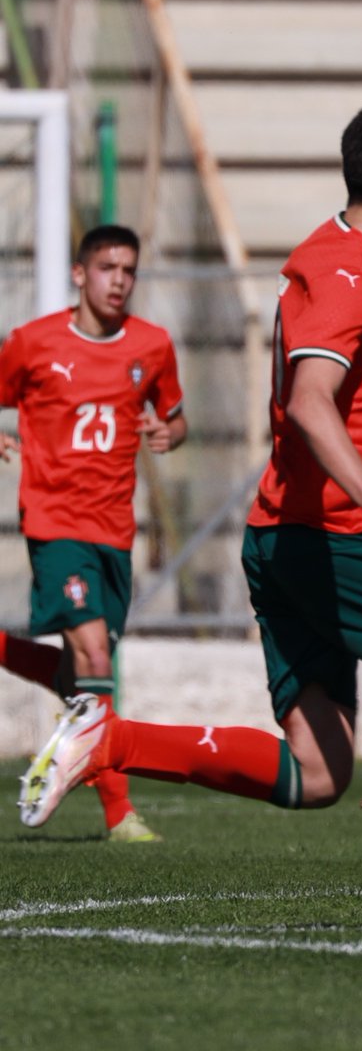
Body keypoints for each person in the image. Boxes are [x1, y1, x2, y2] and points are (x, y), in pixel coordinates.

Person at [17, 98, 362, 933]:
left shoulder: (337, 255)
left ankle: (112, 743)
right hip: (337, 536)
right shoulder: (355, 271)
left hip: (282, 537)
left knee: (318, 773)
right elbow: (309, 399)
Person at [0, 223, 186, 843]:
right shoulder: (32, 343)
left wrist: (169, 433)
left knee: (84, 678)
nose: (119, 281)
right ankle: (111, 806)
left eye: (129, 270)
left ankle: (112, 808)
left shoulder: (153, 346)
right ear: (80, 274)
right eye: (107, 268)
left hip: (114, 531)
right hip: (55, 524)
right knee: (98, 660)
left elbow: (176, 417)